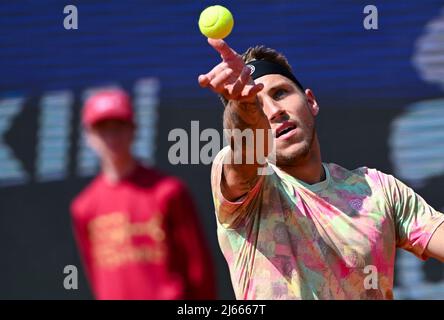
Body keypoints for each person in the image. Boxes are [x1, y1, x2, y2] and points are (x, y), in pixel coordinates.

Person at [198, 38, 444, 299]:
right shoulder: (247, 189)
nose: (273, 111)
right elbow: (245, 152)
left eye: (280, 93)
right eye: (257, 106)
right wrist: (243, 107)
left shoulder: (378, 190)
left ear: (311, 102)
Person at [70, 89, 216, 300]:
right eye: (102, 129)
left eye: (118, 127)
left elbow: (198, 266)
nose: (111, 137)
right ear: (88, 137)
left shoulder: (168, 191)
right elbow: (95, 275)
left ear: (133, 130)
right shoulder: (84, 207)